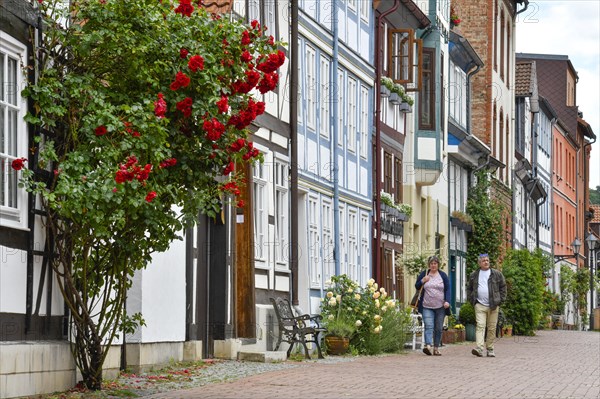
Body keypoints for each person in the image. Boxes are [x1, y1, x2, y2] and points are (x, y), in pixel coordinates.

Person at [466, 253, 507, 358]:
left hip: (493, 305)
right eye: (484, 260)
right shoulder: (474, 275)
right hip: (479, 304)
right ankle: (479, 348)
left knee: (492, 328)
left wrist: (500, 300)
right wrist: (472, 301)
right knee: (480, 325)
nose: (486, 262)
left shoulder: (496, 274)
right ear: (479, 263)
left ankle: (490, 348)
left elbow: (503, 286)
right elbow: (469, 288)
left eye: (487, 260)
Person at [415, 255, 451, 356]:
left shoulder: (443, 275)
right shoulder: (424, 273)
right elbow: (417, 286)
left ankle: (436, 348)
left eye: (435, 263)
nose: (433, 265)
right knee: (429, 325)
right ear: (429, 265)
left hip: (440, 306)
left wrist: (447, 301)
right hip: (426, 305)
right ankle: (428, 346)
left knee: (438, 328)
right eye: (431, 264)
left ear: (438, 265)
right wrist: (423, 280)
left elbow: (448, 289)